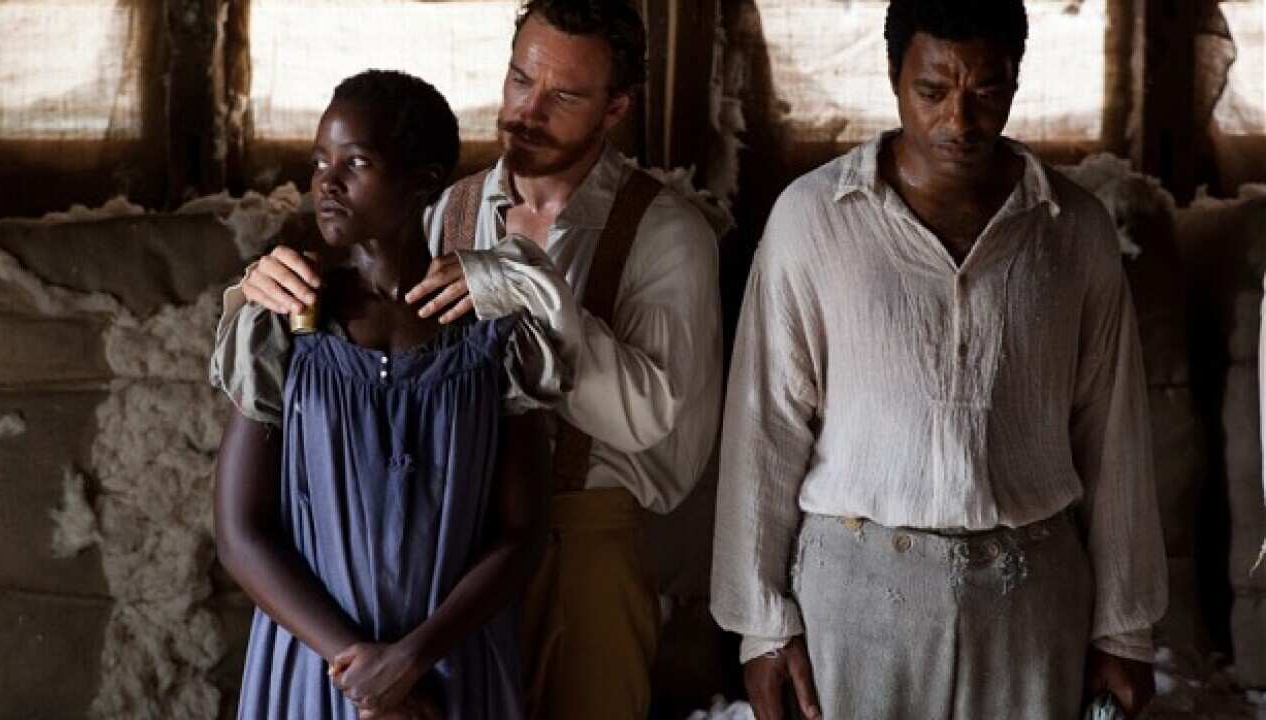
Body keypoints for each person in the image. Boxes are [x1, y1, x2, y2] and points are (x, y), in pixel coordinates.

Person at [230, 2, 722, 718]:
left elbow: (655, 424)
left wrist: (530, 295)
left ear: (615, 107)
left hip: (582, 548)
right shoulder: (445, 206)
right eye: (521, 79)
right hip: (445, 557)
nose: (526, 111)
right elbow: (363, 324)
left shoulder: (668, 233)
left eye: (564, 96)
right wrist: (250, 292)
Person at [711, 1, 1167, 718]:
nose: (960, 121)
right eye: (933, 91)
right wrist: (761, 628)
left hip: (1032, 600)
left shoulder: (1073, 228)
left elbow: (1113, 433)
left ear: (1017, 80)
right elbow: (765, 426)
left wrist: (1126, 629)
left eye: (987, 91)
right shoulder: (813, 217)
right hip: (857, 599)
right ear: (893, 77)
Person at [211, 70, 563, 720]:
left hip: (452, 665)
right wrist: (359, 667)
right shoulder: (282, 320)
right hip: (318, 671)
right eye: (320, 160)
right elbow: (239, 531)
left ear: (425, 180)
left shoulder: (493, 333)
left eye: (357, 162)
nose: (327, 181)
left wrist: (411, 659)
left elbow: (522, 534)